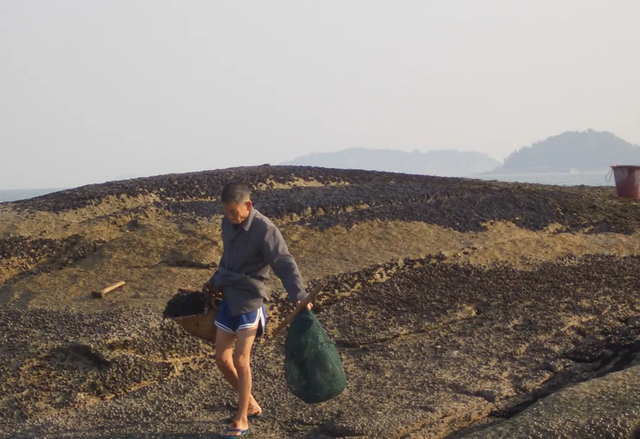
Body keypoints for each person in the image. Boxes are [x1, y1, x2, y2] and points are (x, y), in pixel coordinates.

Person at [203, 181, 311, 438]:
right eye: (226, 212)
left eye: (233, 212)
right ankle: (250, 403)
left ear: (248, 205)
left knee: (241, 359)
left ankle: (242, 420)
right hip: (229, 297)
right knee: (221, 358)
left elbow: (284, 262)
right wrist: (215, 281)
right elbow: (226, 257)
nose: (229, 217)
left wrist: (299, 295)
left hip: (251, 300)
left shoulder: (265, 229)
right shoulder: (227, 223)